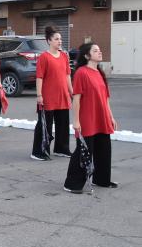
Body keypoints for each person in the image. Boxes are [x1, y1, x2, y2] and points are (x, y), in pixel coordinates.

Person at [63, 43, 118, 193]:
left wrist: (111, 116)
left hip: (102, 118)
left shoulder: (100, 72)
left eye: (100, 50)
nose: (99, 52)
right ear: (87, 55)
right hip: (87, 119)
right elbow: (77, 99)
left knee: (104, 150)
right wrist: (76, 121)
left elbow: (105, 98)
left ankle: (101, 180)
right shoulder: (81, 72)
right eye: (95, 50)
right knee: (84, 151)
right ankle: (71, 183)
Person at [33, 26, 73, 160]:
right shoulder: (44, 57)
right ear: (49, 41)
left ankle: (62, 149)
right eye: (56, 39)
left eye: (60, 39)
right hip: (47, 98)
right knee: (45, 125)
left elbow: (67, 75)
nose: (59, 41)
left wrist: (71, 92)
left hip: (62, 96)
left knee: (63, 125)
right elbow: (39, 77)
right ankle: (39, 152)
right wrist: (39, 95)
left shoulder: (64, 56)